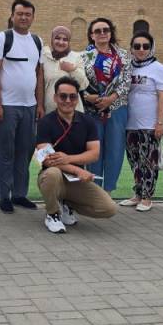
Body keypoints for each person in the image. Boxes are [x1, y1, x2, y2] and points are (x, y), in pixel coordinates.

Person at [35, 76, 117, 233]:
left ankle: (67, 204)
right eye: (63, 96)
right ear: (55, 98)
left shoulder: (87, 122)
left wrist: (69, 159)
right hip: (53, 177)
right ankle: (52, 214)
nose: (67, 100)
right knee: (52, 173)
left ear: (77, 98)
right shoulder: (45, 122)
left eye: (72, 96)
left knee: (109, 208)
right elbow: (48, 159)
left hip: (75, 180)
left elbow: (94, 154)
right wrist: (77, 169)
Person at [0, 0, 44, 213]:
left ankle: (20, 194)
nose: (23, 17)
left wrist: (39, 104)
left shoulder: (37, 41)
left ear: (33, 17)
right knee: (6, 151)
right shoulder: (2, 38)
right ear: (12, 16)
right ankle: (4, 196)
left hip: (29, 106)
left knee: (25, 151)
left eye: (28, 14)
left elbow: (39, 74)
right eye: (19, 14)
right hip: (8, 106)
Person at [120, 31, 163, 211]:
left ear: (151, 48)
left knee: (148, 161)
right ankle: (138, 194)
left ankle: (148, 197)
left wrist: (160, 122)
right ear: (131, 48)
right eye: (137, 46)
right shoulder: (128, 67)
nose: (141, 49)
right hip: (130, 123)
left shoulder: (158, 68)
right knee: (134, 161)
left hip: (149, 124)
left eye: (145, 46)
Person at [81, 17, 131, 192]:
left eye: (106, 30)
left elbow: (127, 81)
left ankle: (108, 190)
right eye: (98, 31)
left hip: (117, 108)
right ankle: (94, 190)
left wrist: (111, 98)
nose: (102, 33)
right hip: (92, 110)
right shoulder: (84, 56)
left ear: (111, 33)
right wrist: (88, 97)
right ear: (91, 35)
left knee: (115, 150)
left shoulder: (123, 55)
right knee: (94, 149)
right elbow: (78, 81)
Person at [41, 26, 87, 113]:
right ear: (52, 39)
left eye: (65, 39)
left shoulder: (76, 57)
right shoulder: (45, 58)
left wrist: (72, 70)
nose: (61, 42)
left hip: (73, 111)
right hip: (50, 110)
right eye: (57, 38)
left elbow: (83, 84)